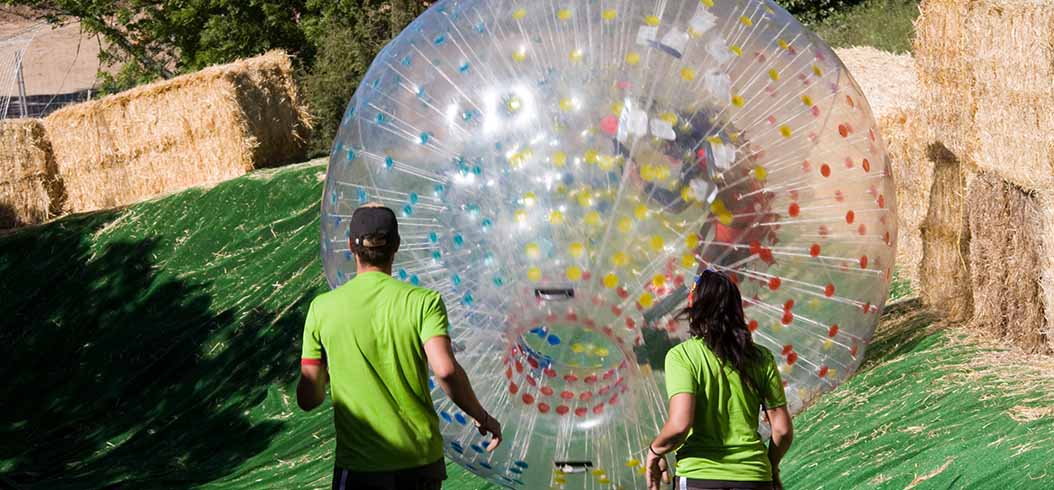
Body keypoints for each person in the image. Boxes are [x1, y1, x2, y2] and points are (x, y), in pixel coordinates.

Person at [297, 203, 502, 490]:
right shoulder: (424, 301)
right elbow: (444, 370)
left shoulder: (322, 309)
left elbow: (309, 398)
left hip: (360, 466)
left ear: (350, 247)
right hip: (421, 462)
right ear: (397, 245)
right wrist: (481, 416)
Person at [645, 270, 793, 490]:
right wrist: (770, 467)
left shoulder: (682, 356)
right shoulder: (761, 358)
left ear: (695, 307)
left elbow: (680, 425)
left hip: (699, 477)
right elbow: (782, 429)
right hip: (754, 478)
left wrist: (655, 450)